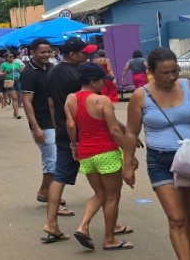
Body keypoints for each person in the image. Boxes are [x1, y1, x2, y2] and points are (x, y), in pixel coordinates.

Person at [123, 47, 190, 260]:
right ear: (151, 71)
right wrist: (128, 164)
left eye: (175, 70)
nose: (171, 76)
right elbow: (131, 132)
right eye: (165, 73)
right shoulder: (141, 96)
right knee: (176, 219)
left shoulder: (189, 86)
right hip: (160, 161)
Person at [65, 62, 134, 251]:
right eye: (102, 80)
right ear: (93, 81)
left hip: (86, 153)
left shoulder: (70, 99)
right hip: (106, 152)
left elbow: (71, 126)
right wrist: (129, 153)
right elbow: (113, 130)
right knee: (112, 197)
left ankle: (83, 226)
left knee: (100, 194)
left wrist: (74, 146)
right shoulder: (102, 101)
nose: (105, 83)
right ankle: (109, 239)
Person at [41, 37, 96, 241]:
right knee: (103, 177)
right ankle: (111, 224)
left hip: (63, 130)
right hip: (83, 131)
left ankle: (51, 223)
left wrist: (58, 125)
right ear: (72, 55)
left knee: (59, 177)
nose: (87, 56)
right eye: (84, 53)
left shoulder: (52, 72)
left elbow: (51, 103)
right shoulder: (80, 74)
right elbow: (89, 103)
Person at [19, 38, 70, 217]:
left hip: (55, 121)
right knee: (53, 162)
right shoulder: (28, 73)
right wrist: (36, 128)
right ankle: (52, 200)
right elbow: (27, 102)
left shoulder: (51, 69)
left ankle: (44, 192)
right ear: (33, 52)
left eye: (49, 51)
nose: (47, 55)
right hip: (42, 123)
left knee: (56, 160)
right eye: (42, 52)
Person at [0, 51, 23, 119]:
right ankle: (17, 113)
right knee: (14, 97)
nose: (12, 57)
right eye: (10, 56)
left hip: (17, 81)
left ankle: (15, 112)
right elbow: (0, 73)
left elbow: (21, 72)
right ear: (6, 58)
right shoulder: (4, 65)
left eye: (12, 56)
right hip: (9, 81)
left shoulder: (17, 64)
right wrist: (4, 74)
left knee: (18, 97)